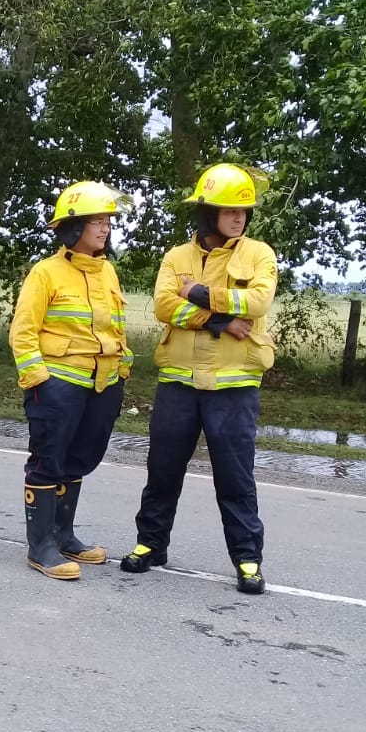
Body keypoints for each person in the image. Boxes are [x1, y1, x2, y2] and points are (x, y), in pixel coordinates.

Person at [120, 162, 277, 594]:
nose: (238, 217)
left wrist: (198, 292)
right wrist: (220, 321)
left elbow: (258, 301)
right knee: (163, 469)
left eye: (243, 210)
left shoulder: (259, 254)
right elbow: (164, 307)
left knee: (235, 477)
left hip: (234, 386)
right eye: (228, 210)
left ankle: (247, 559)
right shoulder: (177, 257)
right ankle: (150, 545)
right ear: (207, 213)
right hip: (179, 383)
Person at [9, 181, 134, 581]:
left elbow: (116, 326)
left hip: (103, 384)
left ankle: (64, 536)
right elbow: (23, 331)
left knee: (81, 458)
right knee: (49, 461)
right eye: (96, 221)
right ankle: (40, 546)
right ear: (72, 227)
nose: (105, 228)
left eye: (108, 221)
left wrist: (122, 370)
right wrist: (37, 380)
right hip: (58, 384)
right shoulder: (46, 273)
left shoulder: (107, 272)